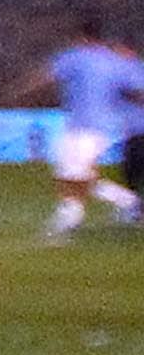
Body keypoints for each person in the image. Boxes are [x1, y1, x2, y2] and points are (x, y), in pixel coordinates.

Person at [36, 26, 143, 238]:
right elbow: (129, 89)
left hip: (89, 127)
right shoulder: (113, 63)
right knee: (77, 174)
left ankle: (70, 218)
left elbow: (48, 76)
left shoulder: (84, 58)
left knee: (73, 175)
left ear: (81, 36)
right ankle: (128, 202)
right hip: (97, 127)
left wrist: (23, 91)